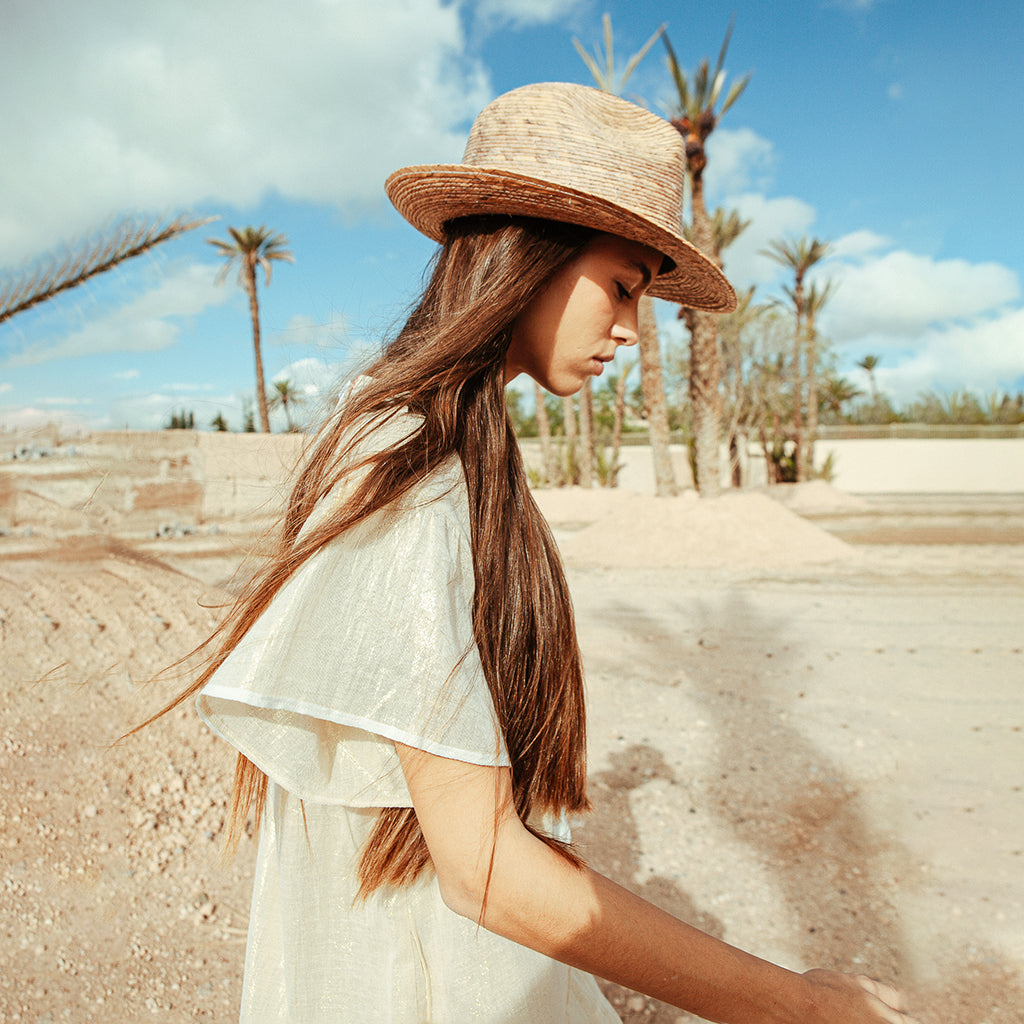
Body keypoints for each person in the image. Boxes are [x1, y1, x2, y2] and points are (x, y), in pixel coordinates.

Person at [155, 83, 920, 1023]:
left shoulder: (446, 438)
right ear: (531, 252)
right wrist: (798, 1005)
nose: (634, 329)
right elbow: (482, 870)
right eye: (625, 285)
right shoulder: (409, 461)